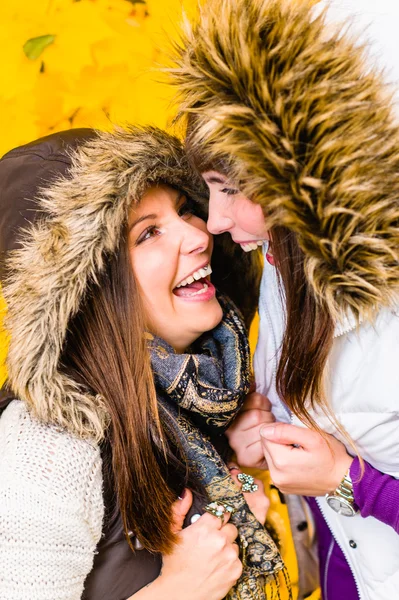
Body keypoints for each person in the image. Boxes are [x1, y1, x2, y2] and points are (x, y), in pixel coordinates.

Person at [171, 0, 399, 599]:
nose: (214, 221)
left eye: (235, 189)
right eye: (209, 190)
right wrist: (264, 432)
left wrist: (349, 481)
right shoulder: (278, 258)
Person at [0, 126, 288, 600]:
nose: (201, 233)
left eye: (183, 210)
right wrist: (177, 591)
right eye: (148, 232)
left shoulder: (198, 402)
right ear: (89, 291)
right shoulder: (49, 442)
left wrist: (231, 461)